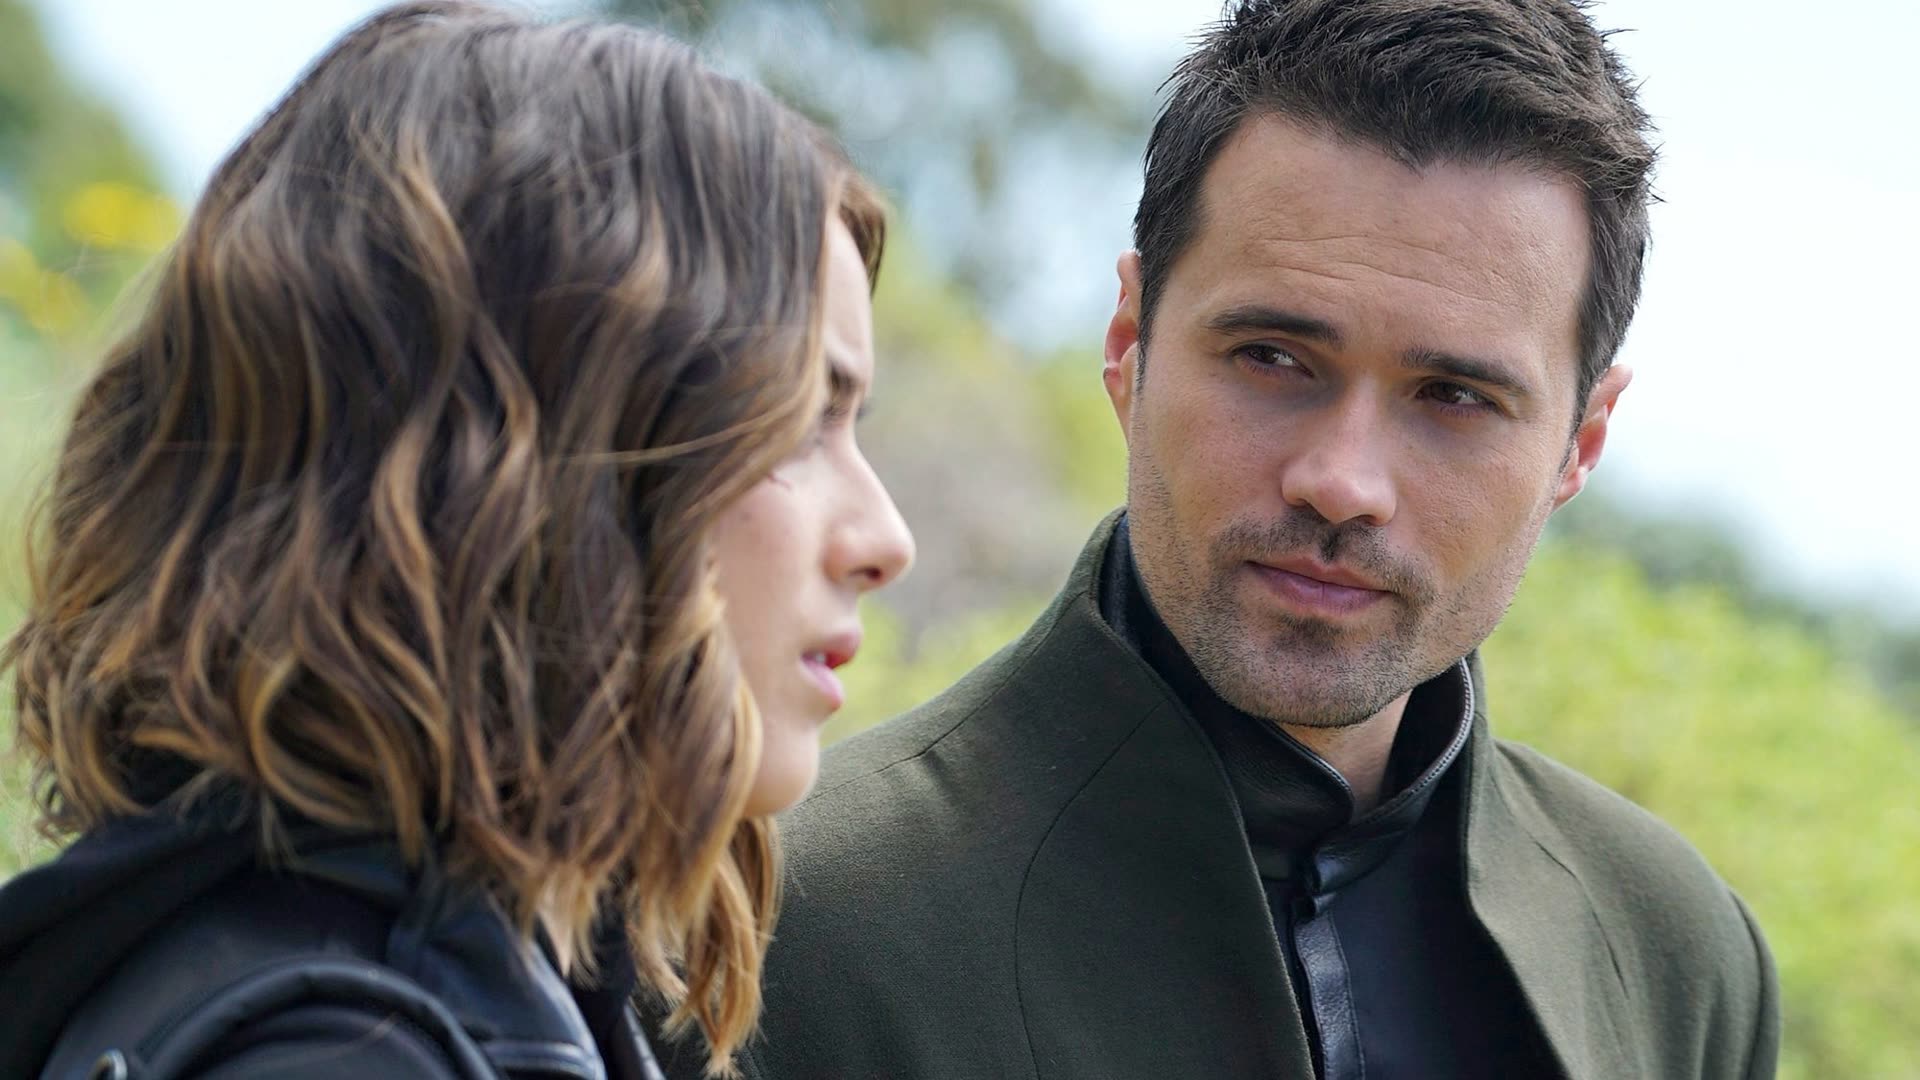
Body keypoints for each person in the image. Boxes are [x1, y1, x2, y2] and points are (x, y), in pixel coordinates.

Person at [704, 2, 1780, 1078]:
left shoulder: (1678, 957)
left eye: (1454, 396)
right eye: (1272, 358)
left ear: (1580, 444)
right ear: (1129, 344)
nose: (1343, 483)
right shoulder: (767, 928)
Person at [0, 3, 912, 1078]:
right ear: (530, 466)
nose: (885, 538)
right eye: (796, 420)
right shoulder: (344, 1054)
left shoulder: (342, 976)